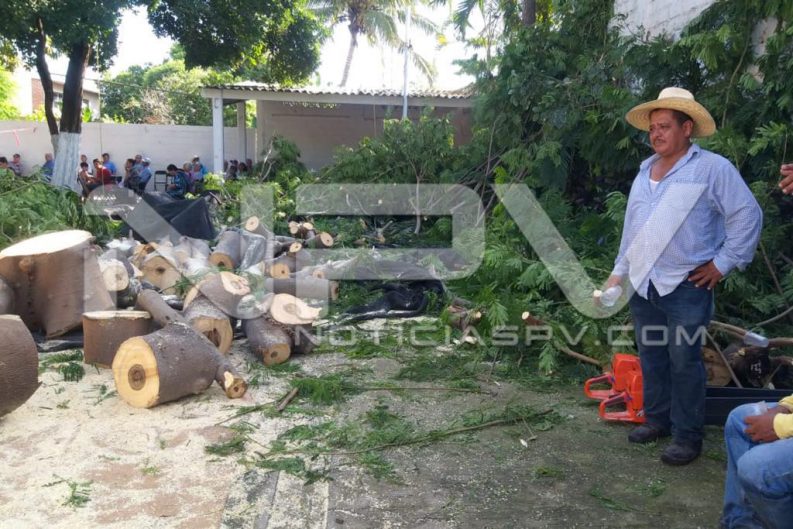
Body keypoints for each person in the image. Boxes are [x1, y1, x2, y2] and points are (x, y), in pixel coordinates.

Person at [606, 87, 762, 465]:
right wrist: (618, 273)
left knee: (684, 360)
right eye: (652, 128)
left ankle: (687, 436)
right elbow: (634, 228)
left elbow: (747, 214)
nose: (655, 134)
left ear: (686, 128)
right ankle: (656, 420)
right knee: (652, 356)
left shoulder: (712, 169)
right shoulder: (645, 172)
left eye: (664, 126)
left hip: (686, 285)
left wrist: (722, 263)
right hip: (645, 283)